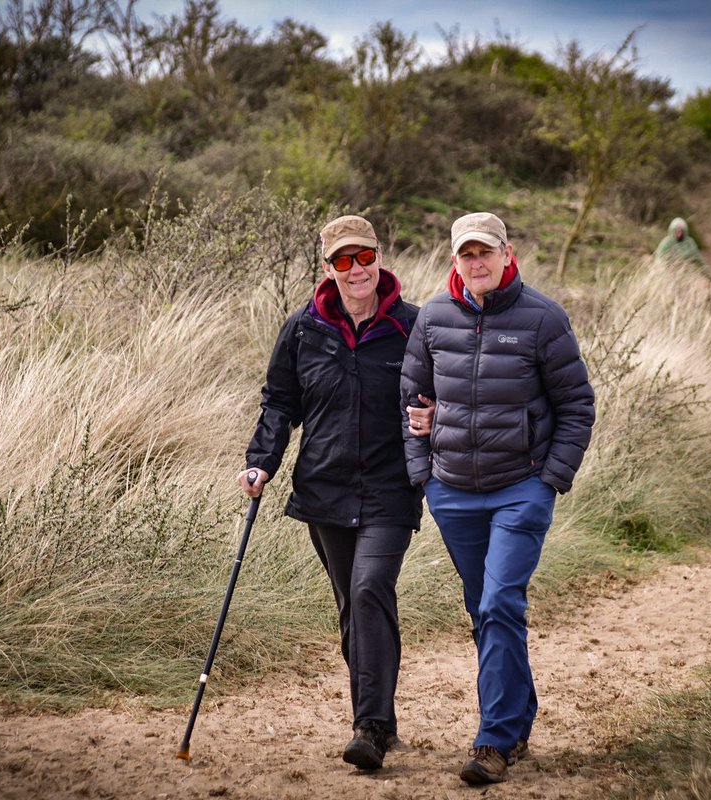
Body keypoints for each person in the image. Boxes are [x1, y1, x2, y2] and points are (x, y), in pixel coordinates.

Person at [399, 212, 596, 785]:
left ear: (508, 255)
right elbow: (410, 402)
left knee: (499, 602)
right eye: (466, 254)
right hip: (453, 491)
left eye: (486, 251)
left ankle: (493, 740)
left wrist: (549, 480)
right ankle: (520, 714)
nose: (477, 262)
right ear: (454, 261)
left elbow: (577, 406)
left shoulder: (543, 318)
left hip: (520, 489)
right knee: (485, 611)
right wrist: (424, 476)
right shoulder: (434, 318)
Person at [238, 214, 433, 771]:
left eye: (364, 258)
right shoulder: (304, 329)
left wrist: (437, 417)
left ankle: (368, 728)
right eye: (343, 261)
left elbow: (439, 396)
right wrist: (261, 462)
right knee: (354, 607)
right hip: (325, 488)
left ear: (380, 257)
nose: (356, 270)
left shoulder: (413, 327)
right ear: (327, 268)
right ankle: (382, 717)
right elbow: (280, 402)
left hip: (391, 490)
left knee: (371, 589)